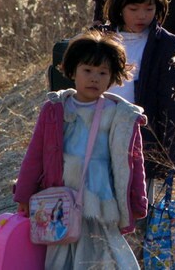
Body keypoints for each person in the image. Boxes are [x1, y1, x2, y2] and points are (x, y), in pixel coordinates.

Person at [13, 30, 148, 269]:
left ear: (113, 77)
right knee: (62, 256)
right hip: (61, 200)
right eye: (87, 70)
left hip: (101, 200)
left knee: (104, 256)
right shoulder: (56, 110)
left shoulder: (119, 115)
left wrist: (137, 201)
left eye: (103, 73)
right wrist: (24, 195)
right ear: (72, 70)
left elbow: (132, 161)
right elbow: (35, 155)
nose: (94, 78)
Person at [101, 0, 175, 201]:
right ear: (119, 6)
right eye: (134, 8)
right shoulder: (101, 39)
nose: (142, 16)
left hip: (140, 142)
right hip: (99, 137)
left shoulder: (165, 44)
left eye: (149, 9)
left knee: (138, 207)